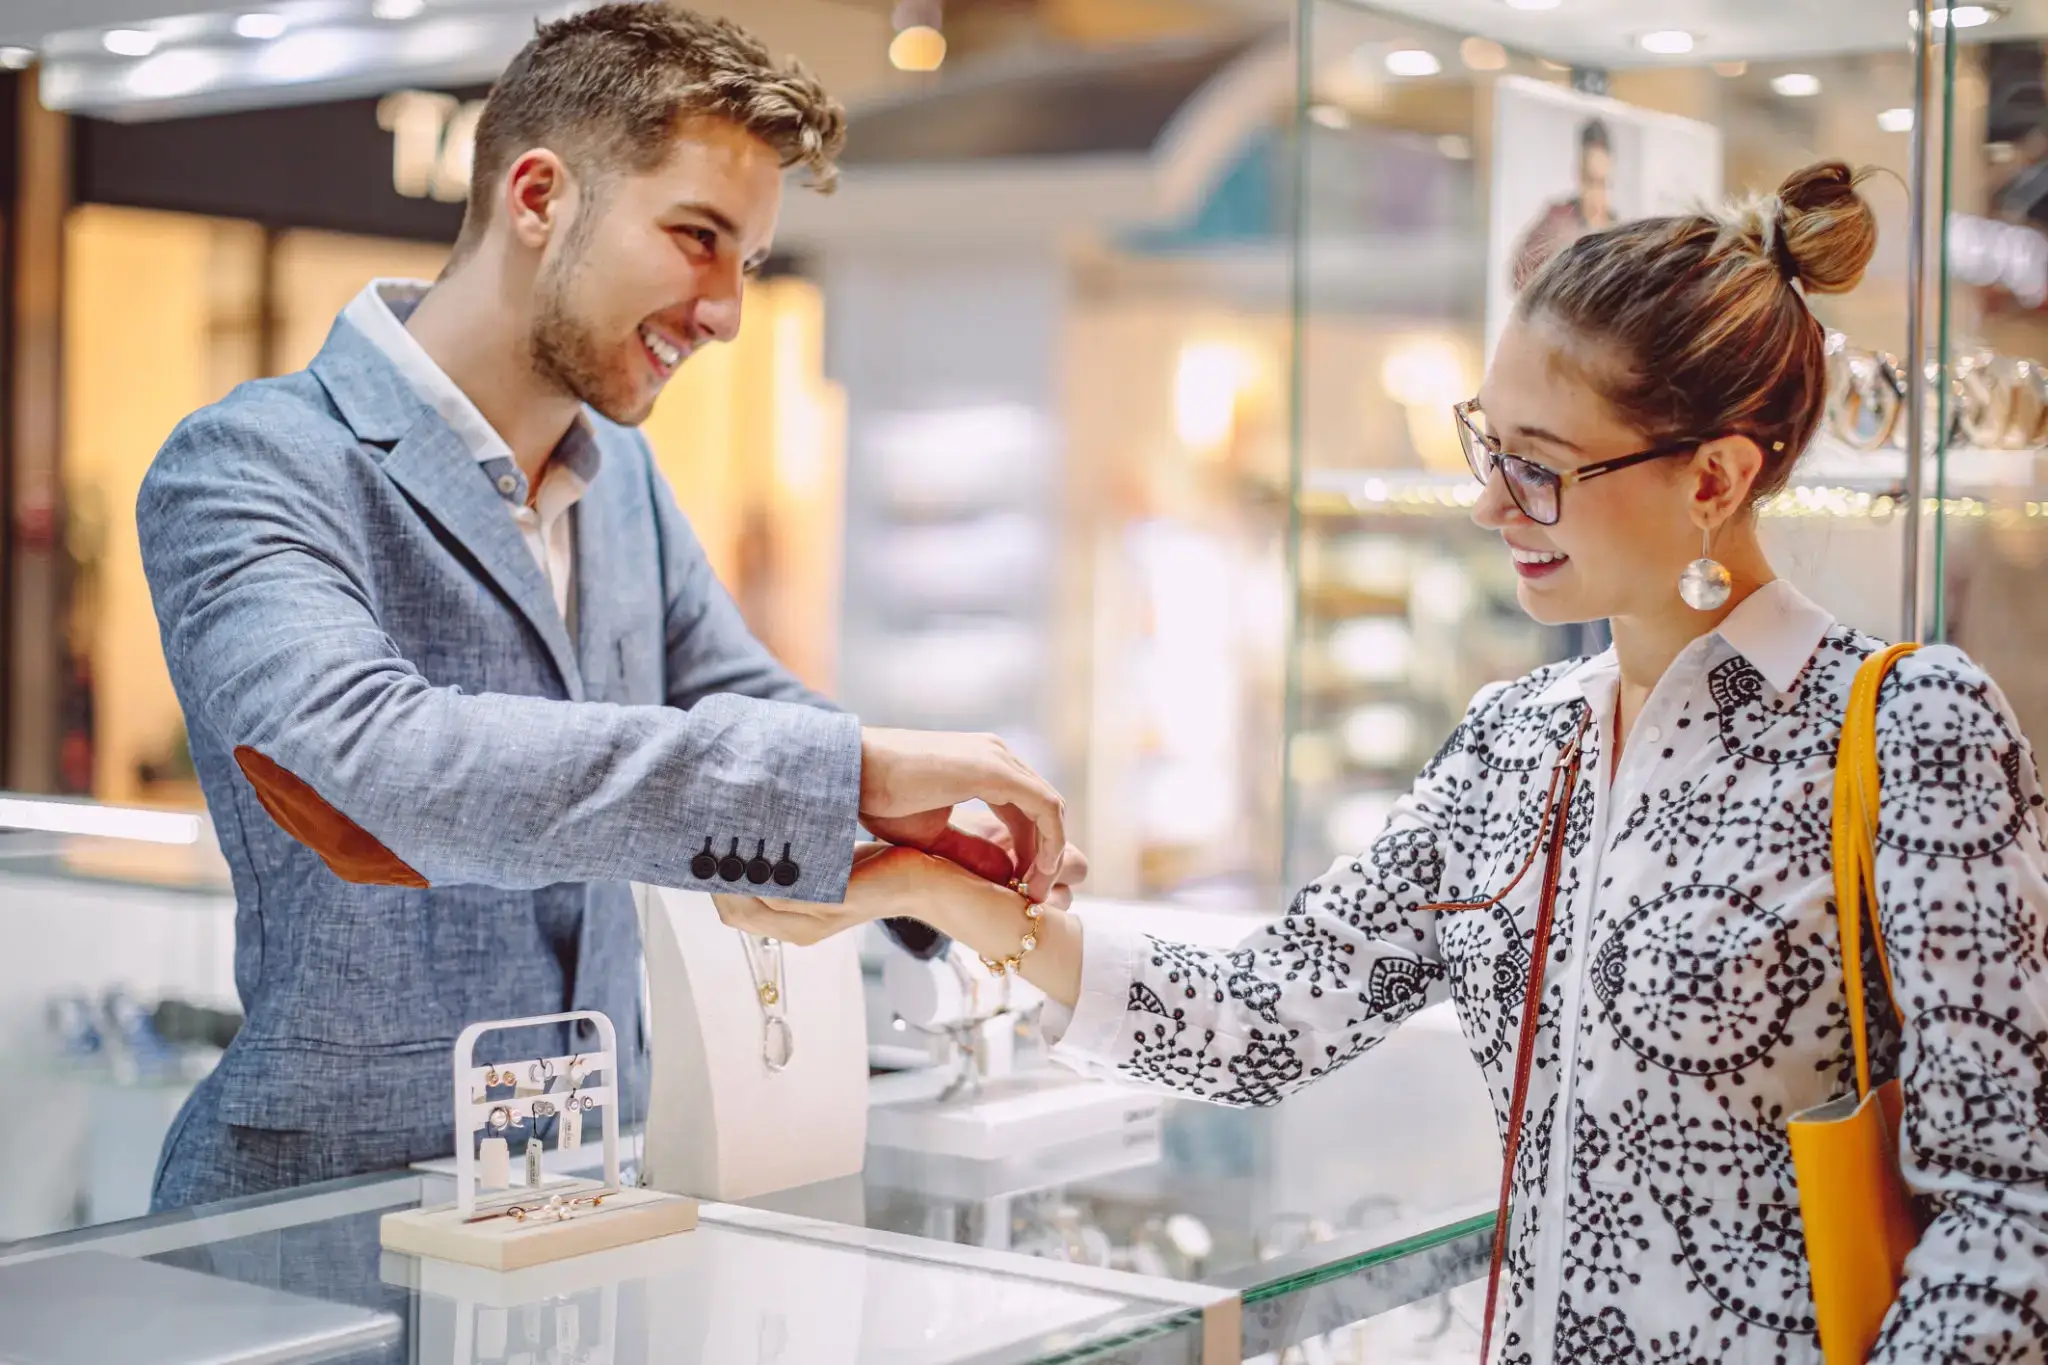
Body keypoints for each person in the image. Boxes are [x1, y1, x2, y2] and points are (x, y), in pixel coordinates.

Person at [722, 162, 2048, 1363]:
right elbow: (1264, 1016)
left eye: (1537, 469)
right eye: (1489, 445)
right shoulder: (1520, 743)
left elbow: (2011, 1201)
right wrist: (939, 893)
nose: (1486, 506)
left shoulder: (1911, 726)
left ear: (1715, 478)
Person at [136, 3, 1080, 1211]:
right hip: (319, 1225)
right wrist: (848, 771)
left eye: (746, 262)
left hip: (594, 1206)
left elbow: (737, 703)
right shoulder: (251, 464)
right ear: (538, 198)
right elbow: (385, 764)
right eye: (697, 238)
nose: (727, 310)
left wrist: (934, 840)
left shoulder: (620, 479)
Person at [1510, 116, 1615, 292]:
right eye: (1590, 181)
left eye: (1603, 183)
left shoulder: (1617, 227)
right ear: (1579, 174)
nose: (1597, 193)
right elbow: (1519, 276)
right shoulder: (1557, 221)